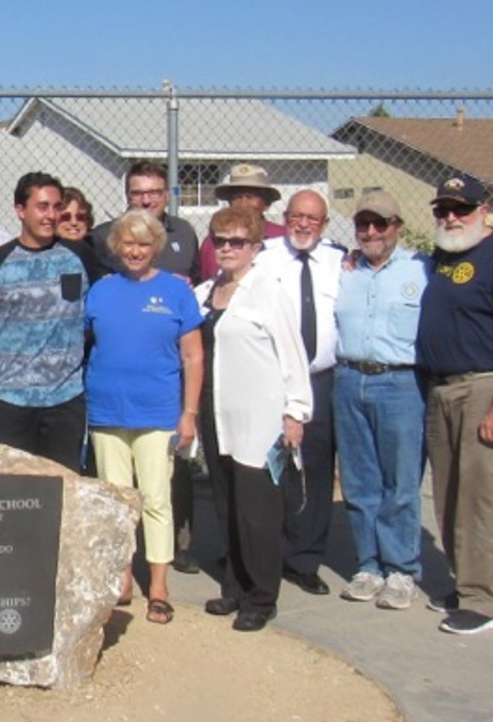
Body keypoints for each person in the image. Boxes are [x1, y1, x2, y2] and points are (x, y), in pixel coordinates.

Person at [418, 175, 493, 634]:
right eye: (443, 210)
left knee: (482, 500)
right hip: (443, 389)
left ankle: (483, 601)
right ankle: (464, 583)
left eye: (462, 209)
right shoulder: (444, 256)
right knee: (450, 497)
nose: (452, 218)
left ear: (483, 209)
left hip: (485, 388)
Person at [195, 207, 312, 632]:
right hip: (217, 413)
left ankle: (262, 596)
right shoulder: (204, 292)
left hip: (259, 416)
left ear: (256, 247)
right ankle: (234, 587)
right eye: (220, 240)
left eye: (237, 241)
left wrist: (296, 412)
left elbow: (292, 354)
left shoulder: (269, 290)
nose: (227, 249)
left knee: (257, 510)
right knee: (226, 504)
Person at [85, 209, 203, 624]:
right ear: (117, 247)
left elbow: (193, 354)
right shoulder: (100, 290)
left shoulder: (176, 291)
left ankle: (158, 586)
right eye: (128, 244)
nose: (135, 251)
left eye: (143, 244)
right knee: (117, 502)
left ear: (156, 247)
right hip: (107, 412)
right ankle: (122, 580)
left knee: (155, 500)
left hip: (157, 412)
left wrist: (189, 414)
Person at [334, 191, 432, 610]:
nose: (371, 232)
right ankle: (369, 565)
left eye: (381, 224)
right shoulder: (345, 270)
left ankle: (400, 569)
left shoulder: (422, 270)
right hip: (348, 378)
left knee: (401, 481)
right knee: (359, 481)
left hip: (401, 383)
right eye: (363, 224)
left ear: (397, 227)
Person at [255, 189, 345, 597]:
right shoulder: (265, 256)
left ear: (324, 224)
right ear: (284, 217)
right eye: (296, 216)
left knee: (317, 466)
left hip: (321, 379)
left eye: (313, 218)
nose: (303, 224)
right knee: (271, 465)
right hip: (273, 377)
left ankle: (305, 558)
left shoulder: (341, 261)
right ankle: (266, 552)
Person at [0, 171, 104, 472]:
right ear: (20, 211)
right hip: (10, 400)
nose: (51, 215)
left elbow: (105, 303)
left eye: (56, 206)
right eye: (42, 207)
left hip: (64, 399)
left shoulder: (81, 255)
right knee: (13, 494)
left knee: (62, 490)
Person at [89, 160, 200, 281]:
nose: (146, 201)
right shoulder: (104, 236)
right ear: (127, 196)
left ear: (167, 195)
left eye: (154, 193)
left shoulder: (183, 231)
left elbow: (197, 279)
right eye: (137, 193)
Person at [198, 164, 286, 280]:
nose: (243, 204)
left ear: (266, 203)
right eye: (237, 197)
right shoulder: (213, 243)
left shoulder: (282, 239)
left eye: (250, 197)